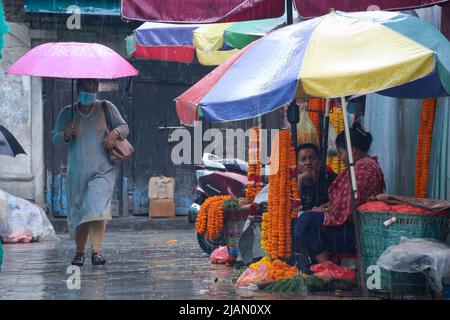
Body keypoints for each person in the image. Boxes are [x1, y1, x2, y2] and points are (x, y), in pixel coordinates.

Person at [52, 78, 129, 266]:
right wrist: (65, 134)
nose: (90, 94)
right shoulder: (67, 112)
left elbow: (124, 127)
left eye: (93, 90)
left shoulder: (106, 107)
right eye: (86, 90)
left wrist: (114, 134)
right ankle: (80, 252)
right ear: (78, 91)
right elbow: (55, 137)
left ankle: (97, 251)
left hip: (103, 169)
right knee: (80, 210)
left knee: (95, 207)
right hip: (77, 171)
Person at [295, 122, 385, 264]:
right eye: (303, 159)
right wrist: (326, 208)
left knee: (304, 222)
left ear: (352, 151)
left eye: (341, 153)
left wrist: (324, 212)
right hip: (353, 225)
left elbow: (347, 208)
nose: (341, 158)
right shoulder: (367, 165)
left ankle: (327, 266)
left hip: (351, 231)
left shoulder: (361, 170)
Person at [296, 143, 337, 211]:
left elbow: (341, 202)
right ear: (296, 164)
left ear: (319, 161)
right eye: (303, 159)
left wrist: (326, 208)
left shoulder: (330, 178)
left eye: (313, 158)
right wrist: (299, 181)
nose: (308, 162)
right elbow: (293, 208)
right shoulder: (291, 182)